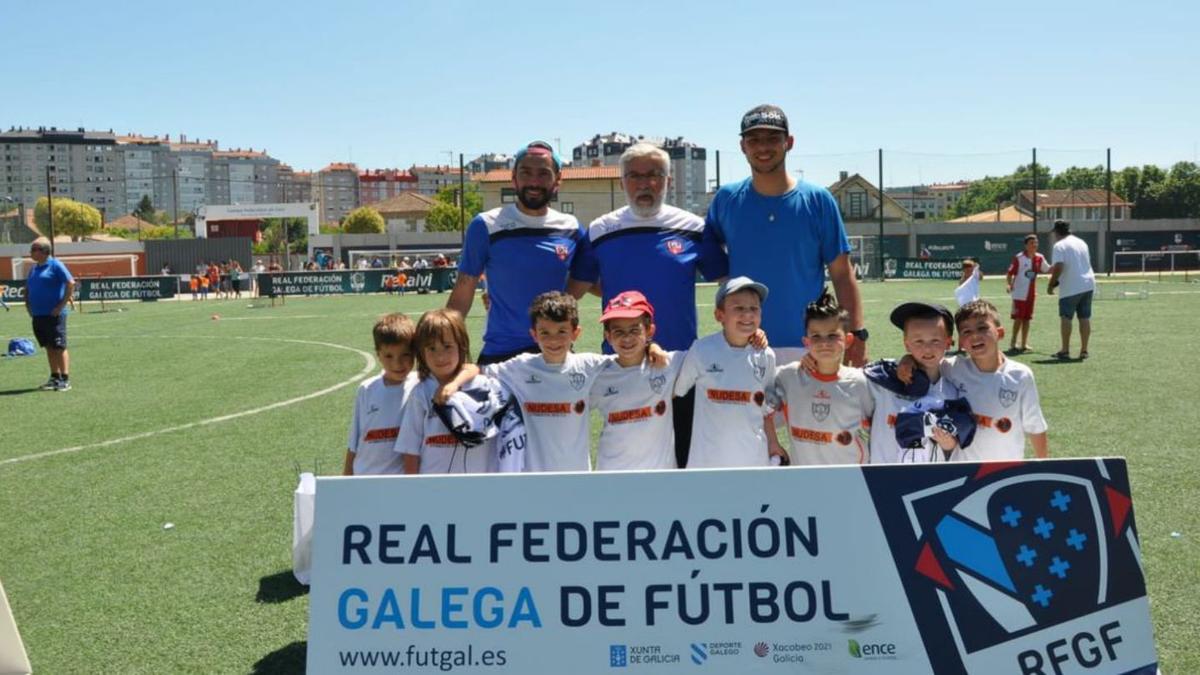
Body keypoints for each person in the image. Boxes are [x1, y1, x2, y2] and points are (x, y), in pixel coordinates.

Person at [570, 142, 728, 468]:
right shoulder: (601, 230)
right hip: (623, 365)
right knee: (627, 457)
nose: (645, 183)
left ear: (668, 180)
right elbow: (578, 287)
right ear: (622, 181)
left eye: (654, 175)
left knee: (684, 459)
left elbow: (726, 282)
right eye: (635, 176)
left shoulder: (695, 228)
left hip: (680, 367)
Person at [705, 104, 868, 366]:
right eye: (754, 139)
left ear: (789, 142)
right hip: (742, 348)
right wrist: (726, 281)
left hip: (808, 347)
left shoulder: (818, 200)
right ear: (742, 146)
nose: (763, 147)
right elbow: (708, 247)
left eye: (773, 139)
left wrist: (857, 334)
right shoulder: (726, 199)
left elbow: (841, 273)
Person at [448, 140, 585, 365]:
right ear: (513, 178)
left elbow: (590, 281)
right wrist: (443, 336)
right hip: (501, 355)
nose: (534, 181)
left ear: (558, 180)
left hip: (555, 354)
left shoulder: (571, 228)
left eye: (543, 173)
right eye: (526, 172)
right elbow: (464, 289)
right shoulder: (487, 225)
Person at [478, 292, 612, 472]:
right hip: (533, 478)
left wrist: (652, 348)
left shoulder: (588, 365)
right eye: (545, 333)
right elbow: (478, 370)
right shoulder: (521, 367)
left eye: (562, 331)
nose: (553, 340)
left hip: (577, 477)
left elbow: (628, 362)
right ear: (534, 334)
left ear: (576, 333)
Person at [673, 277, 780, 468]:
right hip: (707, 464)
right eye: (738, 308)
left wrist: (773, 443)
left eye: (753, 309)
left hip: (753, 461)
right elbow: (676, 393)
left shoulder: (766, 355)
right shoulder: (701, 350)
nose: (747, 314)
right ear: (719, 315)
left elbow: (766, 410)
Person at [767, 289, 873, 465]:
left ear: (847, 340)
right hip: (803, 480)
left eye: (832, 335)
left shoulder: (861, 383)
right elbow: (756, 390)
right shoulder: (790, 377)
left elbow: (879, 428)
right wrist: (772, 441)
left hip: (851, 481)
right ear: (806, 342)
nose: (824, 343)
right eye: (816, 336)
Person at [589, 291, 685, 471]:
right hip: (611, 475)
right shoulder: (597, 374)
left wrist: (754, 335)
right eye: (618, 331)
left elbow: (710, 353)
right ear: (607, 336)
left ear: (650, 331)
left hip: (659, 478)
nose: (626, 338)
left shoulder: (669, 363)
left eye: (635, 330)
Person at [397, 309, 500, 475]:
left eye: (447, 346)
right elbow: (410, 449)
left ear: (462, 346)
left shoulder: (482, 386)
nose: (440, 356)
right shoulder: (420, 393)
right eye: (431, 348)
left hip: (480, 485)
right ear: (421, 353)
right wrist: (413, 488)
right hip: (433, 487)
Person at [945, 300, 1049, 460]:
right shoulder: (952, 368)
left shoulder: (1020, 375)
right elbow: (923, 363)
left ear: (999, 333)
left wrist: (1044, 468)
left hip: (1006, 472)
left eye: (982, 328)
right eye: (966, 331)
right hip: (963, 471)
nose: (974, 335)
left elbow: (1035, 426)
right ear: (961, 343)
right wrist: (908, 360)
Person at [867, 302, 964, 463]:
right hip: (882, 479)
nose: (927, 349)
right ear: (906, 344)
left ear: (948, 342)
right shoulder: (884, 379)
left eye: (935, 340)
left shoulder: (953, 390)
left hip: (930, 482)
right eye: (918, 341)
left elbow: (954, 446)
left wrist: (948, 442)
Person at [342, 313, 418, 475]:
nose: (397, 363)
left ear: (415, 352)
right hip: (366, 476)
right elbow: (354, 442)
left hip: (398, 482)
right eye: (388, 356)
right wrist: (346, 480)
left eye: (405, 354)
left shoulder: (420, 386)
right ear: (378, 355)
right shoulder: (367, 389)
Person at [24, 238, 75, 391]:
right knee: (48, 346)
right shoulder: (33, 268)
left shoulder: (56, 265)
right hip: (38, 315)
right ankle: (55, 377)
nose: (31, 252)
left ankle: (65, 379)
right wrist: (28, 305)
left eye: (34, 249)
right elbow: (28, 287)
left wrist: (60, 306)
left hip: (54, 315)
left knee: (59, 346)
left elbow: (70, 283)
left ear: (45, 251)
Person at [1046, 219, 1095, 360]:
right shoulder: (1081, 242)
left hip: (1071, 286)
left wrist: (1051, 284)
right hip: (1088, 283)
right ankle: (1084, 350)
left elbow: (1059, 266)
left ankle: (1065, 350)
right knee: (1084, 317)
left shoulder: (1059, 245)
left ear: (1056, 232)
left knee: (1066, 317)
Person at [1005, 234, 1048, 352]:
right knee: (1018, 319)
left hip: (1031, 294)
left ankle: (1024, 344)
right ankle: (1013, 344)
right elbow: (1010, 273)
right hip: (1019, 294)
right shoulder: (1019, 257)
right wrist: (1009, 285)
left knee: (1027, 319)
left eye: (1036, 243)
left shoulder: (1040, 257)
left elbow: (1047, 269)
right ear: (1026, 245)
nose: (1034, 245)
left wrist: (1061, 266)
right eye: (1032, 243)